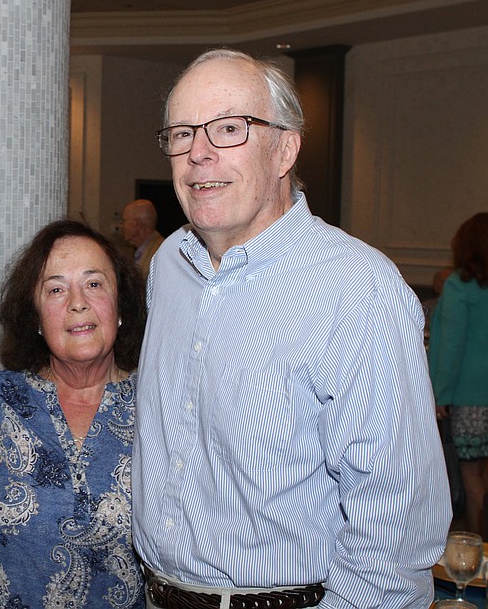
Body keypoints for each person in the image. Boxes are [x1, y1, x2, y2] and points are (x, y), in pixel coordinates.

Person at [133, 48, 450, 608]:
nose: (199, 153)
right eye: (181, 134)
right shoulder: (169, 266)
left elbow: (396, 530)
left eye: (229, 129)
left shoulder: (357, 289)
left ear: (285, 147)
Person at [0, 220, 147, 608]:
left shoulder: (157, 404)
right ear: (37, 318)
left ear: (121, 305)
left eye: (94, 284)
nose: (77, 302)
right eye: (56, 289)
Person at [430, 212, 488, 535]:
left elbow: (450, 347)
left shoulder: (460, 287)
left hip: (469, 398)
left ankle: (481, 557)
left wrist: (440, 395)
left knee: (472, 480)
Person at [121, 199, 164, 278]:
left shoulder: (159, 253)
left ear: (137, 225)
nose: (122, 225)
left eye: (124, 221)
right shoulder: (139, 252)